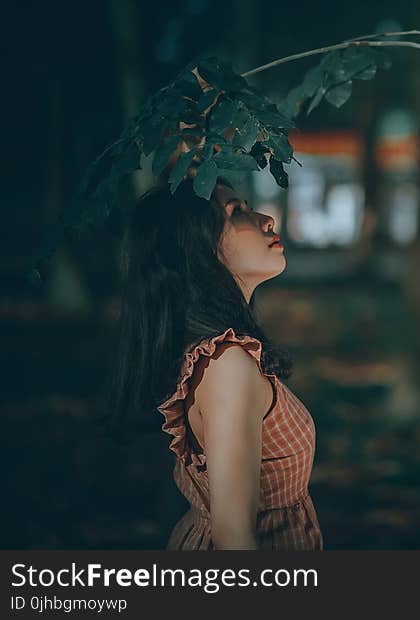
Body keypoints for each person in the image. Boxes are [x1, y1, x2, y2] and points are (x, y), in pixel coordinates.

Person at [106, 174, 322, 550]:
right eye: (237, 212)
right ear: (199, 249)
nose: (266, 220)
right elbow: (234, 538)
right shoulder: (227, 367)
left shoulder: (222, 355)